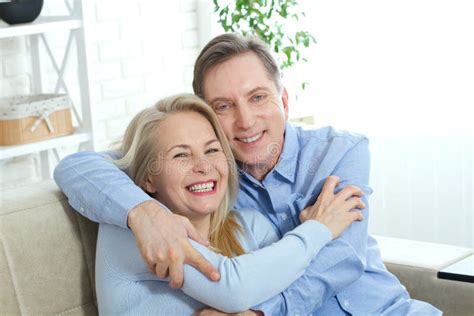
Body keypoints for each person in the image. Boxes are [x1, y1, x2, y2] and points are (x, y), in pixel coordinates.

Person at [54, 33, 441, 315]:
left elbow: (341, 260)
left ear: (284, 101)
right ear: (209, 118)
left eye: (258, 97)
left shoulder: (340, 152)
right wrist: (143, 212)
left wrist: (259, 313)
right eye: (223, 106)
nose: (246, 120)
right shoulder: (203, 184)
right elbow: (78, 166)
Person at [96, 93, 363, 314]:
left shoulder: (251, 227)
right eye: (180, 155)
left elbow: (294, 292)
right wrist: (318, 228)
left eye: (212, 150)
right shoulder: (135, 232)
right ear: (147, 179)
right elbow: (233, 288)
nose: (203, 166)